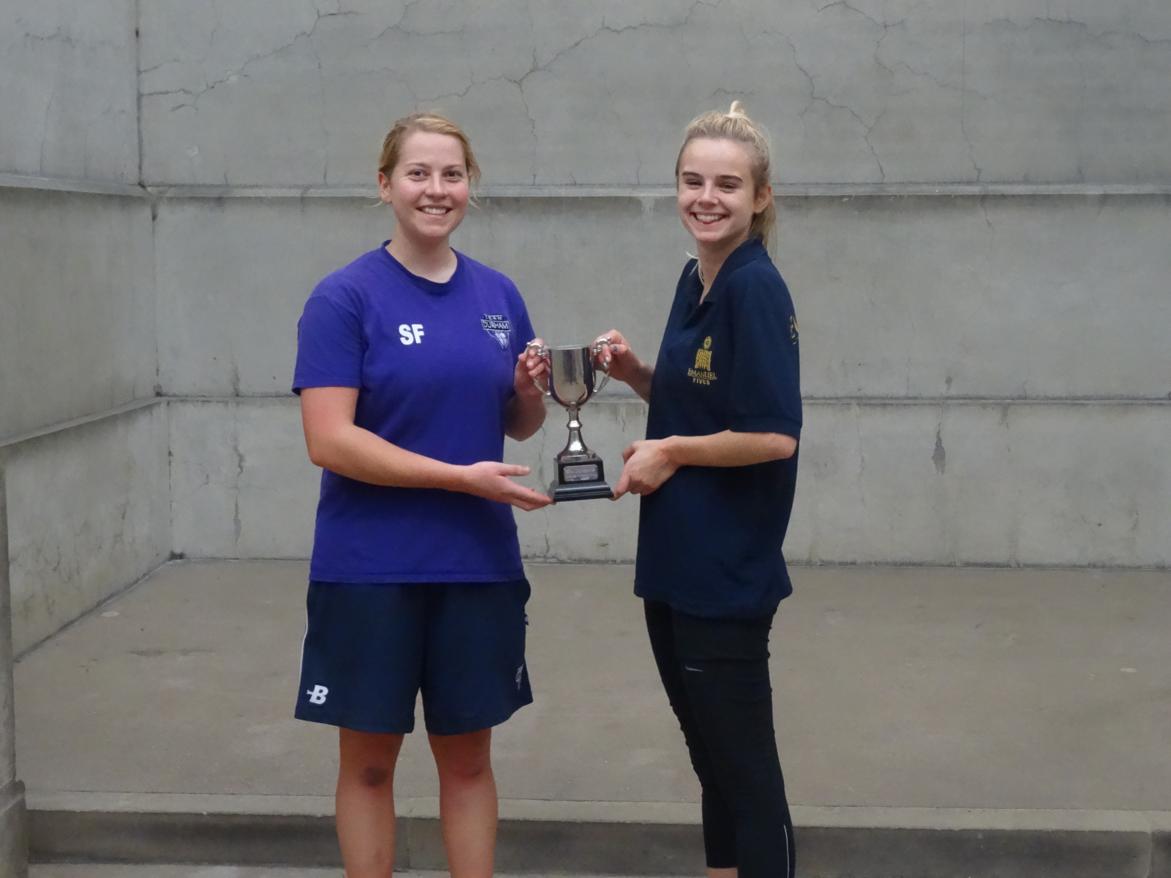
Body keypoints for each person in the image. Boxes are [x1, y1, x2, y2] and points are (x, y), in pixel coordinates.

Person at [291, 111, 551, 878]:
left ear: (469, 185)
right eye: (418, 174)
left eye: (451, 174)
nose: (436, 190)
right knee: (370, 767)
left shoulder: (498, 295)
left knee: (468, 764)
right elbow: (329, 440)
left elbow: (519, 423)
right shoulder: (343, 298)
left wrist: (532, 393)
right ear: (384, 185)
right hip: (370, 570)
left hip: (476, 565)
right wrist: (455, 477)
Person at [597, 101, 801, 878]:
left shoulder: (754, 287)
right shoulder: (697, 275)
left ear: (759, 196)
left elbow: (773, 432)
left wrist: (670, 452)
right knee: (712, 760)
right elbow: (698, 399)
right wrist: (635, 376)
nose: (705, 198)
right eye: (691, 181)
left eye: (725, 184)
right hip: (676, 562)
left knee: (746, 777)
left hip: (724, 572)